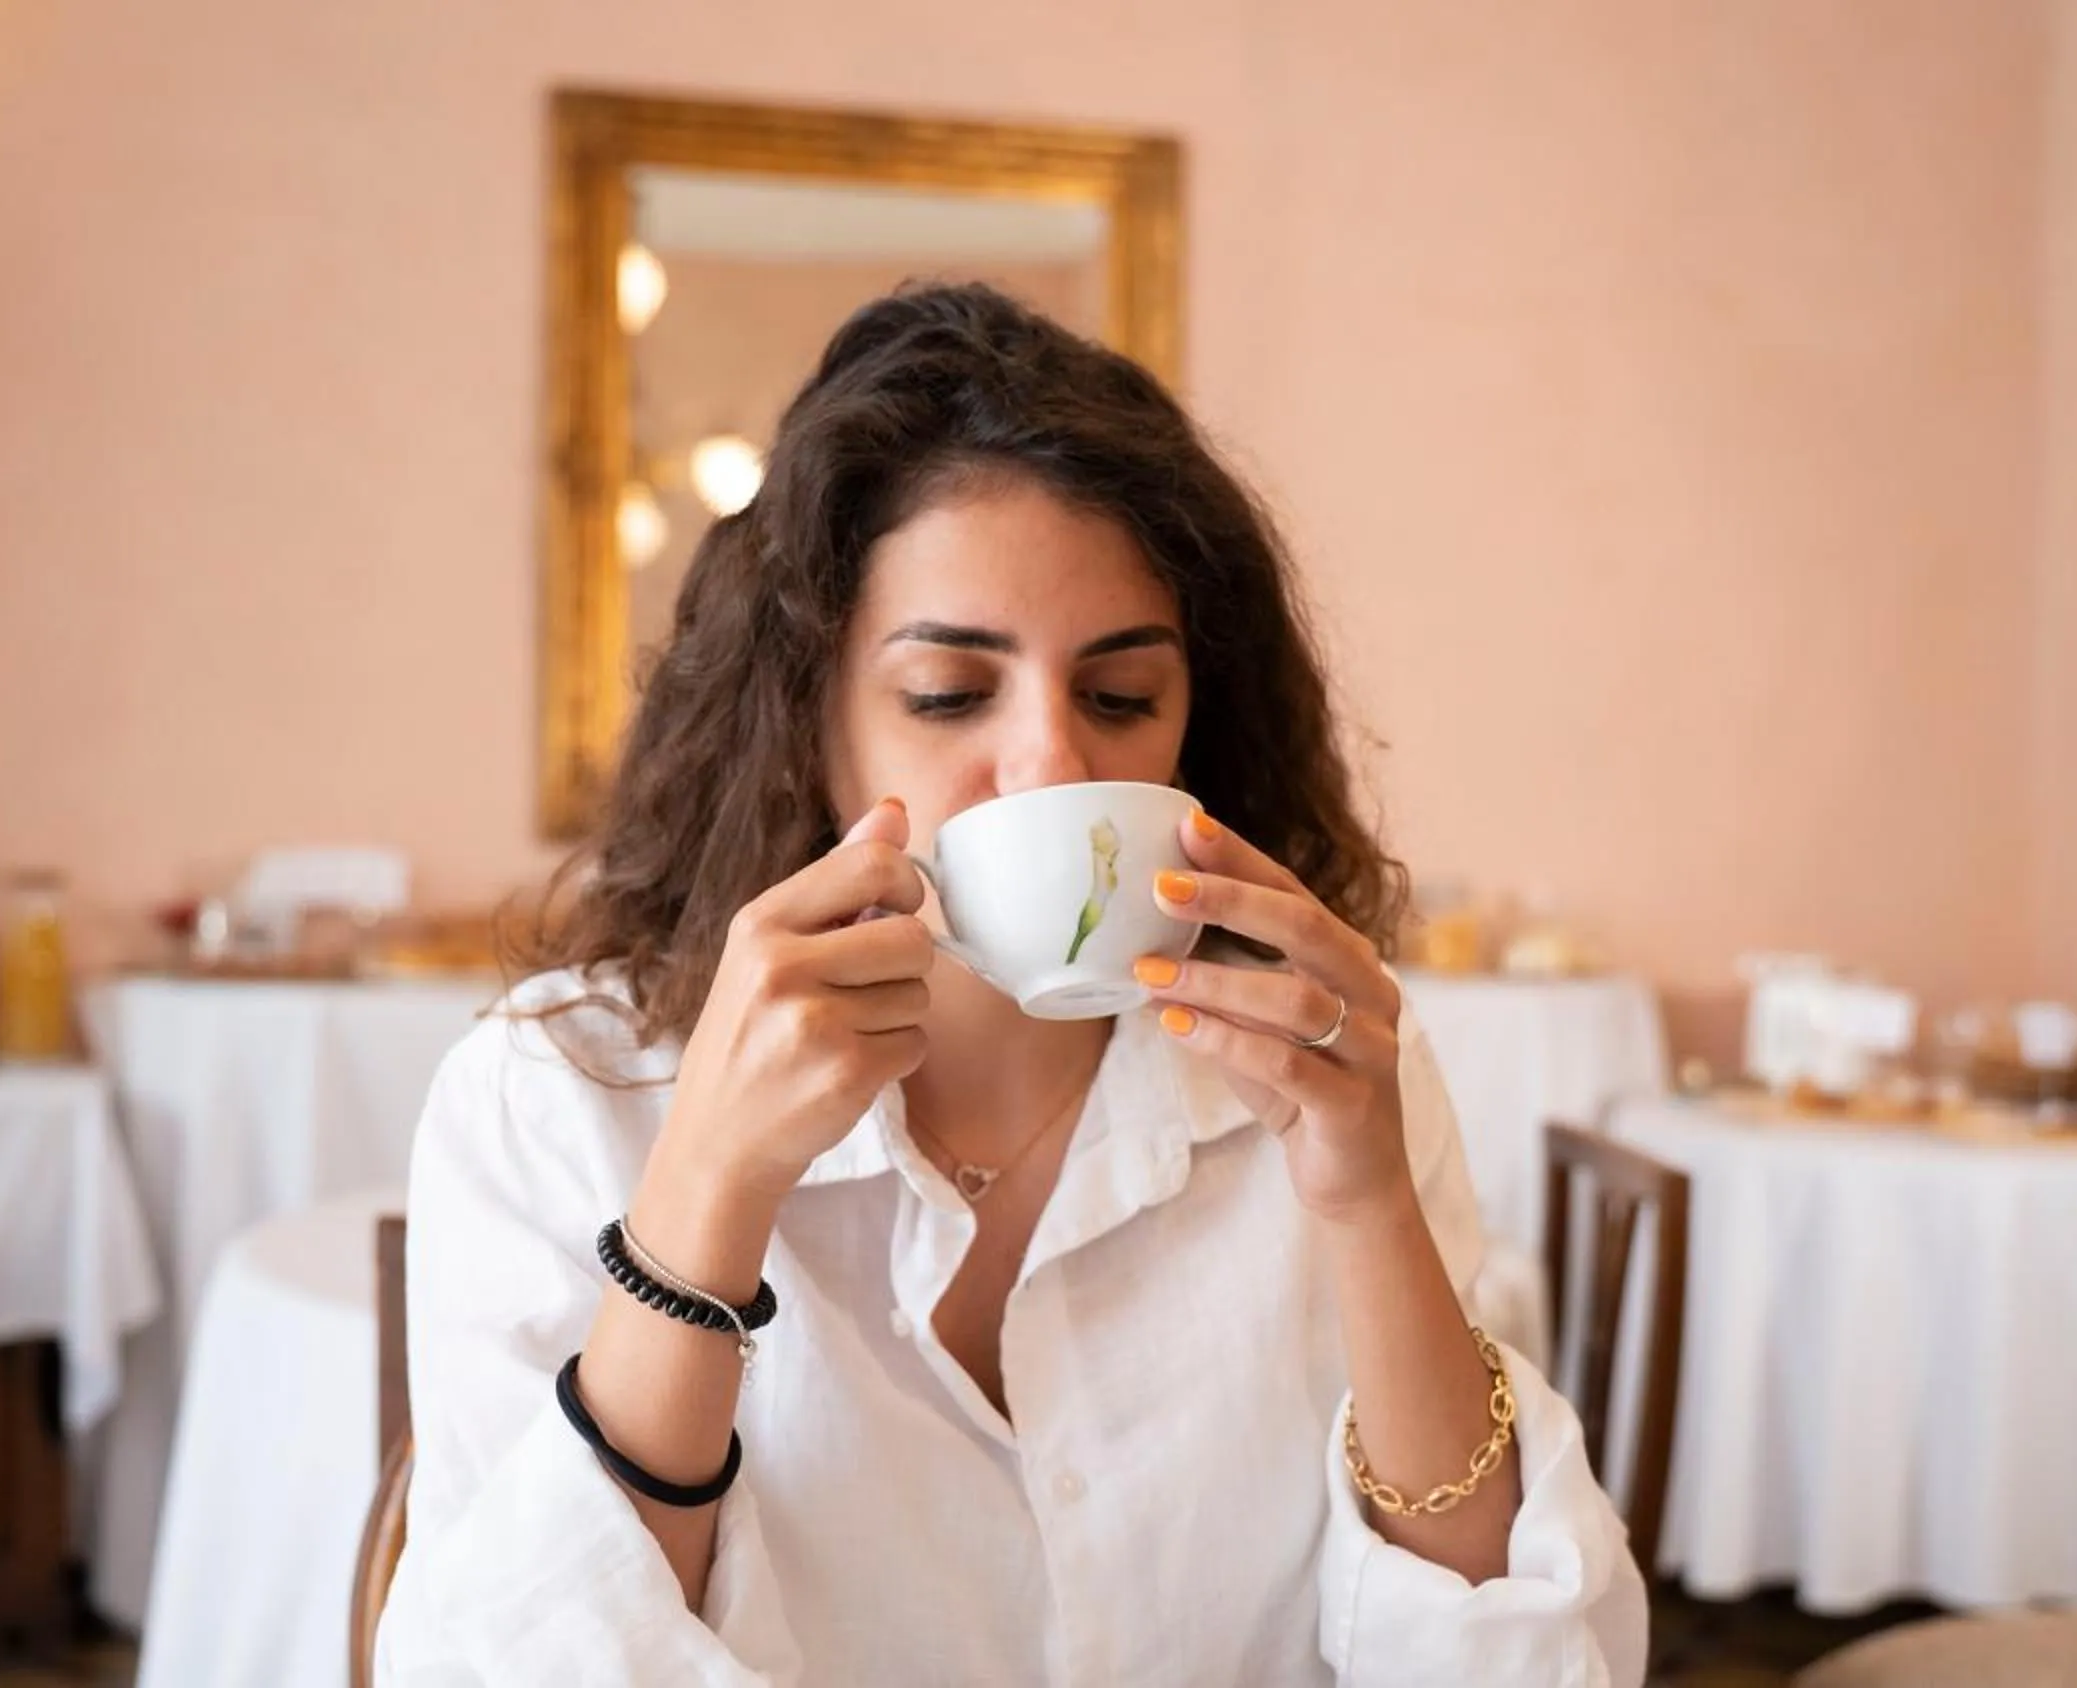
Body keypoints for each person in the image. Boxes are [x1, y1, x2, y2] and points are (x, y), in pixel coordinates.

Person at [375, 283, 1646, 1685]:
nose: (1053, 763)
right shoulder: (559, 1095)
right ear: (807, 722)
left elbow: (1510, 1667)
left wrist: (1366, 1201)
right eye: (947, 695)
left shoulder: (1320, 1078)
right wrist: (706, 1195)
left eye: (1119, 698)